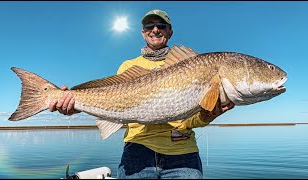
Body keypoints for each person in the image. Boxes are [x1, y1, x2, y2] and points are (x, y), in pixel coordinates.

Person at [49, 9, 235, 179]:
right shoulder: (128, 66)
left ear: (170, 31)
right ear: (143, 32)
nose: (155, 29)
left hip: (183, 154)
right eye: (149, 26)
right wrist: (75, 105)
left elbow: (191, 120)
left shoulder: (194, 65)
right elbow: (113, 105)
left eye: (161, 26)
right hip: (137, 152)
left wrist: (207, 115)